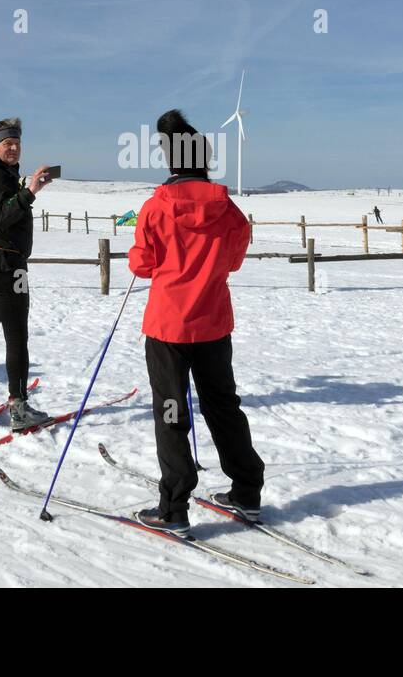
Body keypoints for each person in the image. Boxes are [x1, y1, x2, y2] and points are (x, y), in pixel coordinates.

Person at [127, 108, 264, 535]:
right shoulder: (230, 211)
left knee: (171, 412)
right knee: (223, 406)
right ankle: (246, 490)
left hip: (169, 326)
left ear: (171, 161)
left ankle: (174, 507)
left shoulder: (155, 208)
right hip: (213, 324)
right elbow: (234, 261)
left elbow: (144, 265)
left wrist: (142, 258)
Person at [0, 117, 54, 431]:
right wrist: (29, 193)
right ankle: (18, 408)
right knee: (16, 337)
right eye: (7, 143)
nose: (13, 148)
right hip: (6, 267)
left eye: (17, 142)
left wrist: (25, 190)